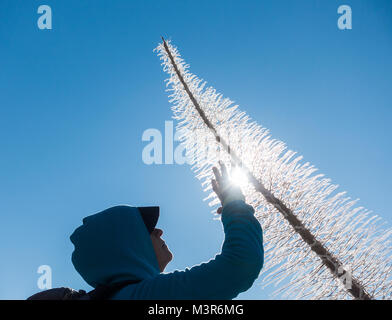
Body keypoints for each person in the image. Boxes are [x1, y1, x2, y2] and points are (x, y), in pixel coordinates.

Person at [69, 162, 264, 299]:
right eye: (147, 229)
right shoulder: (145, 296)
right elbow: (241, 263)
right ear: (123, 247)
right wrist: (235, 205)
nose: (159, 232)